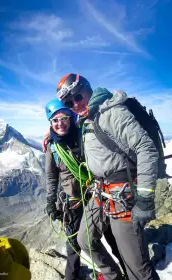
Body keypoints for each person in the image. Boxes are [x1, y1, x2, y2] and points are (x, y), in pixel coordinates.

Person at [53, 73, 160, 280]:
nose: (74, 104)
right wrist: (52, 134)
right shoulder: (87, 118)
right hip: (101, 192)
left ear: (87, 89)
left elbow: (146, 148)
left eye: (77, 97)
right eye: (69, 102)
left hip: (124, 195)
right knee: (85, 241)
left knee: (137, 267)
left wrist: (145, 198)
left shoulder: (111, 112)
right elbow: (67, 129)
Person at [44, 98, 128, 280]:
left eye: (64, 118)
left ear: (71, 117)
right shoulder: (53, 147)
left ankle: (128, 273)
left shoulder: (84, 134)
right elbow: (51, 176)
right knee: (73, 244)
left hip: (97, 195)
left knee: (112, 237)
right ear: (50, 123)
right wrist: (51, 201)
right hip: (73, 202)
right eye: (55, 120)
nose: (60, 124)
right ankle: (71, 277)